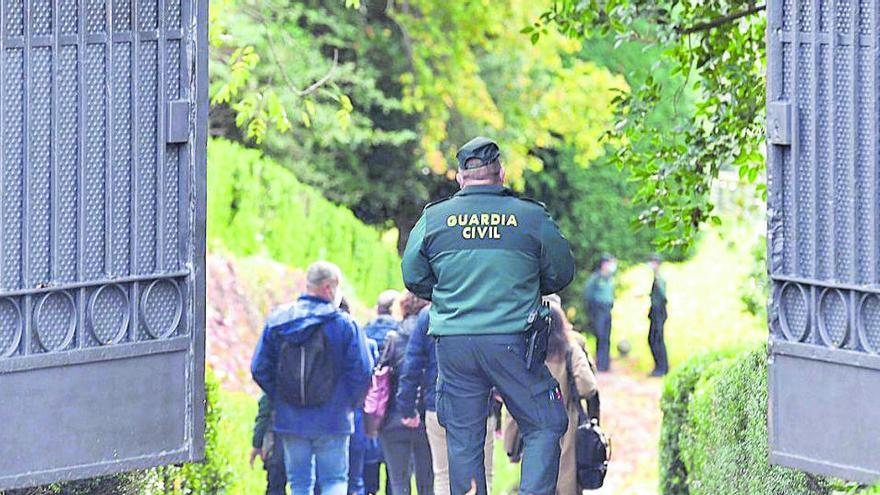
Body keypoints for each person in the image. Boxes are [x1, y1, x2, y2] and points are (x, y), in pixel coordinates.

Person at [401, 136, 576, 495]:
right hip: (514, 341)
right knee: (546, 421)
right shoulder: (530, 215)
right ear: (502, 174)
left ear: (460, 178)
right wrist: (523, 289)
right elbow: (561, 272)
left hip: (454, 345)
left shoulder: (434, 218)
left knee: (464, 436)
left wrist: (453, 299)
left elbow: (413, 276)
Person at [251, 261, 374, 495]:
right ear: (329, 288)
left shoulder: (279, 321)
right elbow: (363, 370)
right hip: (334, 418)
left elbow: (259, 367)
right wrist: (348, 402)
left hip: (290, 419)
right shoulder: (344, 325)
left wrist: (280, 397)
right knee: (335, 480)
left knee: (299, 483)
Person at [396, 296, 496, 495]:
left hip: (438, 404)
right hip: (479, 406)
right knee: (483, 473)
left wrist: (407, 408)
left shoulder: (428, 315)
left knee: (442, 474)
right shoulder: (483, 311)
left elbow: (412, 365)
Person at [503, 302, 599, 495]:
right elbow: (588, 387)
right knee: (565, 484)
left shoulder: (525, 353)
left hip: (533, 429)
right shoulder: (570, 350)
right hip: (567, 430)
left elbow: (513, 405)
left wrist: (510, 446)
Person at [377, 291, 434, 495]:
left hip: (393, 419)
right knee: (428, 483)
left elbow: (380, 375)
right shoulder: (434, 337)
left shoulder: (392, 337)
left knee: (398, 484)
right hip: (427, 418)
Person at [584, 254, 616, 372]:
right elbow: (588, 295)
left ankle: (606, 364)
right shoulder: (596, 278)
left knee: (606, 337)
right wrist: (593, 311)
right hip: (598, 310)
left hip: (607, 310)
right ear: (604, 264)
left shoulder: (610, 278)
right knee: (600, 336)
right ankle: (600, 364)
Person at [249, 394, 287, 495]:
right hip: (314, 437)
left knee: (276, 487)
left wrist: (257, 444)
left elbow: (265, 412)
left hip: (279, 444)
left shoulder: (276, 381)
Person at [648, 254, 669, 377]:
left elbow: (663, 297)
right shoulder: (656, 278)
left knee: (657, 339)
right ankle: (659, 367)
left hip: (659, 313)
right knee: (652, 339)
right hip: (655, 313)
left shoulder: (659, 279)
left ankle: (662, 368)